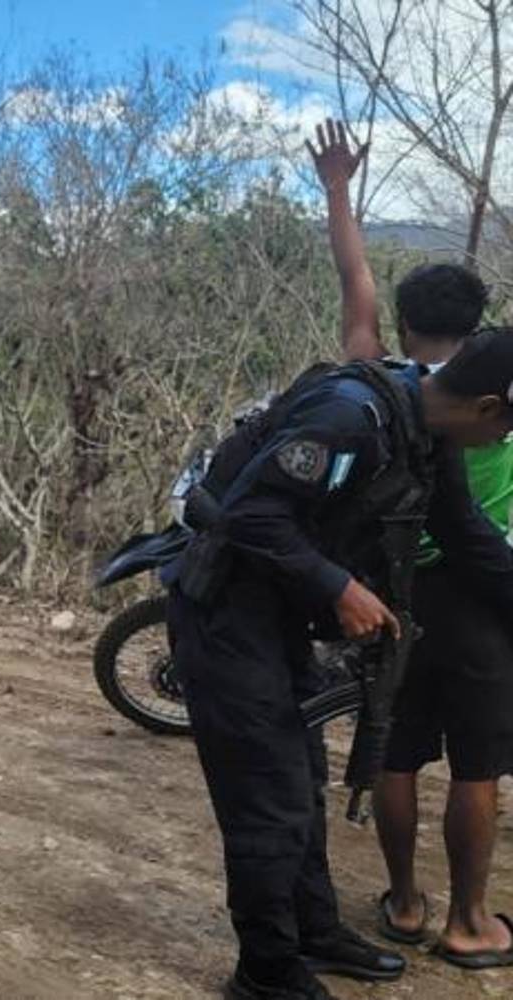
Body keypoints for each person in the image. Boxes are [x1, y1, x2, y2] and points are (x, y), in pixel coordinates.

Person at [164, 330, 513, 1000]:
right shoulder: (350, 417)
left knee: (303, 780)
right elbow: (249, 515)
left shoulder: (426, 428)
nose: (504, 444)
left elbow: (466, 534)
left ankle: (313, 929)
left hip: (279, 614)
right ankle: (264, 972)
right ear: (488, 407)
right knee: (268, 799)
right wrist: (339, 587)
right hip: (226, 614)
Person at [310, 119, 513, 969]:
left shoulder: (379, 380)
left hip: (386, 598)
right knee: (477, 766)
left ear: (403, 321)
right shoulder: (492, 397)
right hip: (482, 602)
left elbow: (354, 276)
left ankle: (401, 904)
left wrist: (338, 189)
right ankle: (470, 924)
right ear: (481, 320)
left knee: (393, 748)